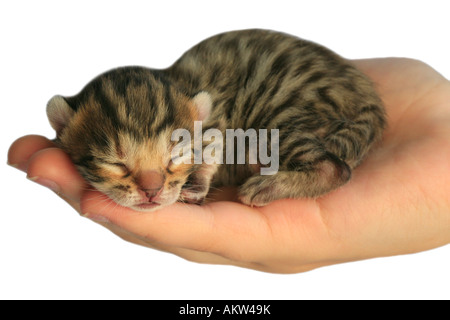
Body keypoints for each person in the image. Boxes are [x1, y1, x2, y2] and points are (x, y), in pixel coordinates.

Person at [7, 58, 450, 273]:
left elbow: (221, 140)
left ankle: (320, 170)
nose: (150, 188)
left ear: (196, 118)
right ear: (64, 128)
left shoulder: (205, 122)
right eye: (115, 165)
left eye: (173, 159)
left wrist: (200, 177)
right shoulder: (188, 121)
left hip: (306, 93)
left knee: (272, 131)